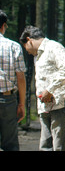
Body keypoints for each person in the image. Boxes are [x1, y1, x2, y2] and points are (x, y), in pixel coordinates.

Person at [20, 26, 65, 151]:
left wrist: (49, 90)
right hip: (45, 106)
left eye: (25, 47)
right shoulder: (38, 55)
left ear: (29, 40)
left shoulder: (54, 47)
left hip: (61, 104)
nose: (27, 51)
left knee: (59, 146)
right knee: (45, 146)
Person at [0, 10, 26, 151]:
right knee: (10, 144)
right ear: (3, 26)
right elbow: (20, 77)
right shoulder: (13, 46)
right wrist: (21, 104)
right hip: (7, 100)